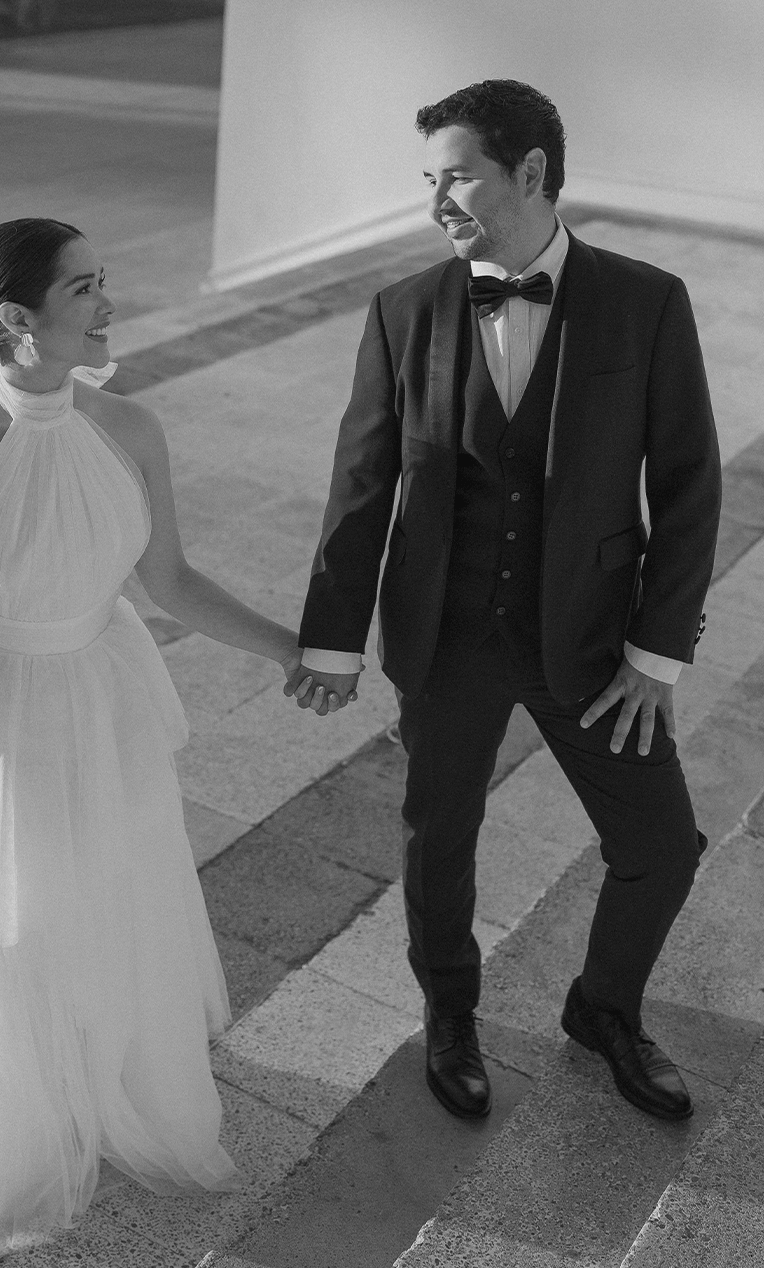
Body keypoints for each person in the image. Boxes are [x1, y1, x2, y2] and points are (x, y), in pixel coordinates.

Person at [0, 218, 303, 1257]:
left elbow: (170, 579)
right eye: (85, 288)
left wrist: (290, 648)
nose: (109, 304)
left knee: (99, 899)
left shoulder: (130, 427)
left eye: (102, 280)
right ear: (16, 316)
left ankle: (94, 1083)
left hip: (98, 695)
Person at [286, 80, 719, 1124]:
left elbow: (690, 481)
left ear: (530, 172)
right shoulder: (403, 311)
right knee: (440, 840)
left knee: (662, 846)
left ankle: (604, 1008)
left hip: (595, 641)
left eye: (457, 177)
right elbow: (362, 484)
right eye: (429, 179)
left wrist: (655, 652)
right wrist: (332, 641)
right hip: (447, 635)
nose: (437, 201)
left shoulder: (647, 302)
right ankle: (451, 1014)